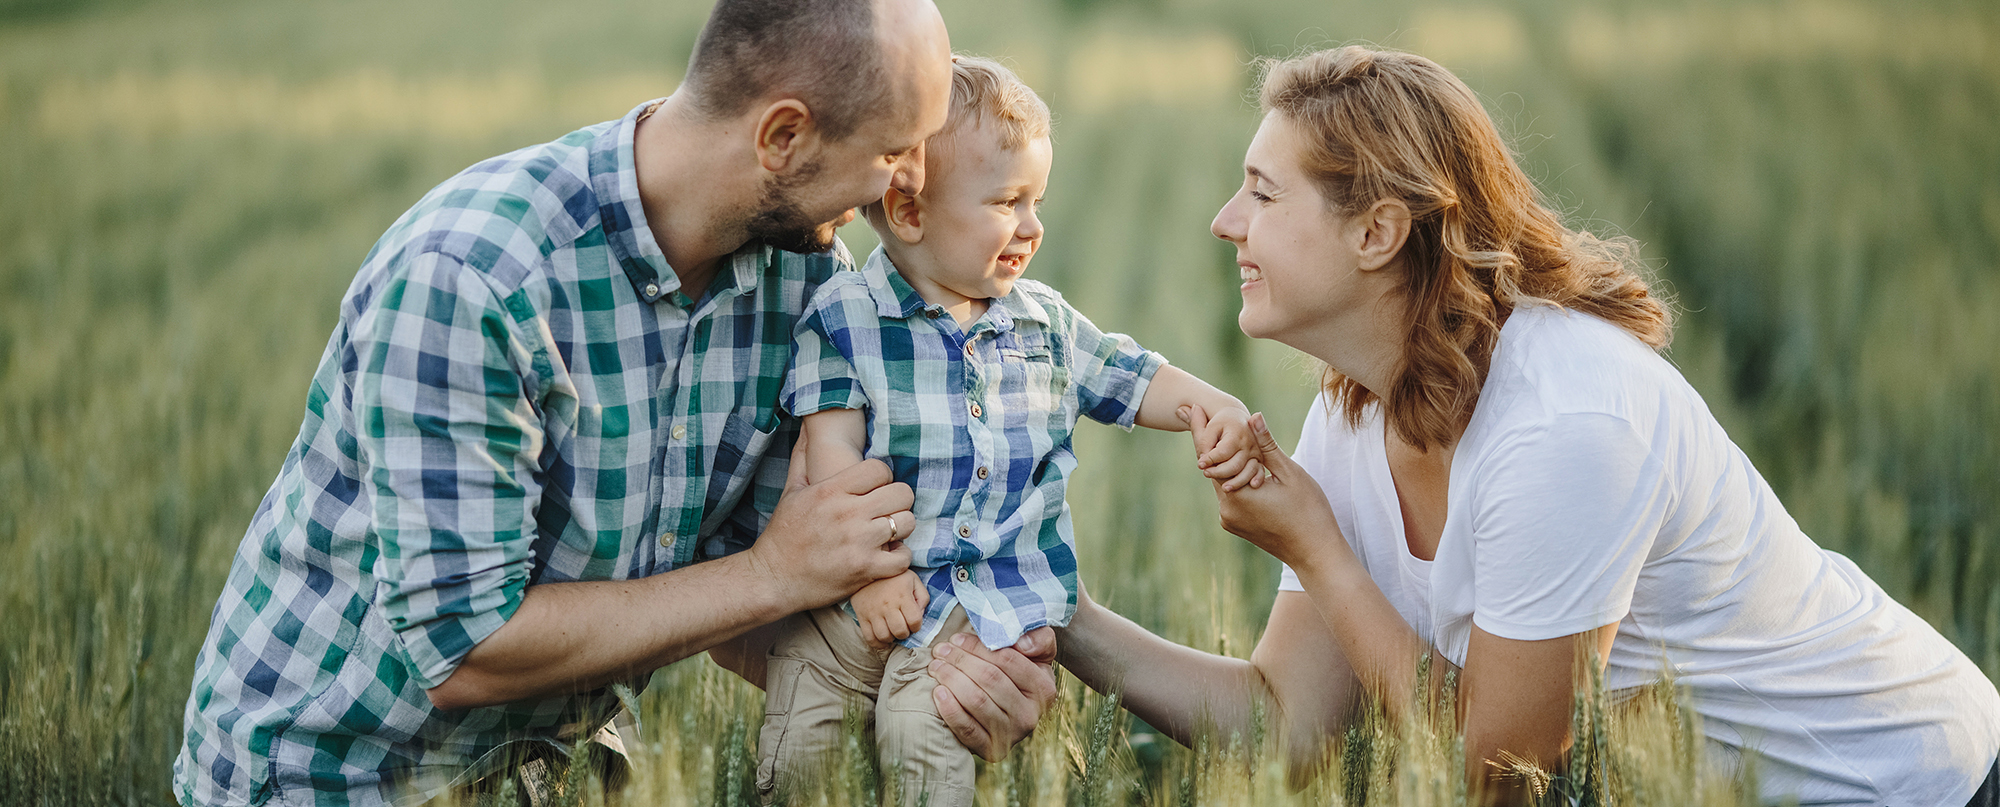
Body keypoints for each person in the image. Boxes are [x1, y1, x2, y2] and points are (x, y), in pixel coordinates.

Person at [1056, 45, 2000, 806]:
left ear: (1377, 233)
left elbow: (1494, 773)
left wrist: (1320, 553)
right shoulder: (1350, 411)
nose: (1226, 221)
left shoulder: (1565, 422)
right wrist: (1055, 613)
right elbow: (1284, 727)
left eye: (1263, 192)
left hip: (1910, 780)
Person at [172, 2, 1055, 805]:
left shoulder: (806, 284)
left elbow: (782, 586)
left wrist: (951, 670)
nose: (905, 187)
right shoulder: (474, 279)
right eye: (893, 151)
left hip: (556, 777)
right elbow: (463, 646)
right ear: (783, 136)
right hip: (337, 779)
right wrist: (775, 573)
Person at [752, 56, 1262, 806]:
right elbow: (831, 455)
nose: (1033, 226)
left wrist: (1206, 404)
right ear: (910, 211)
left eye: (1038, 200)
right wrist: (872, 572)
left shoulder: (1044, 322)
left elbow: (1130, 373)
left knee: (926, 738)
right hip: (847, 604)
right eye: (1008, 202)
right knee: (800, 748)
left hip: (975, 610)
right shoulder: (843, 318)